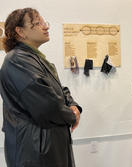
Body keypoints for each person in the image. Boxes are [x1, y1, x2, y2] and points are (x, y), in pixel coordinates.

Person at [0, 8, 82, 167]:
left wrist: (74, 106)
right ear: (20, 31)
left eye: (45, 22)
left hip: (47, 145)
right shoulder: (17, 61)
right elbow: (47, 105)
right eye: (38, 23)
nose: (46, 27)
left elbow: (60, 90)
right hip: (35, 150)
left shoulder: (35, 59)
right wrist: (72, 116)